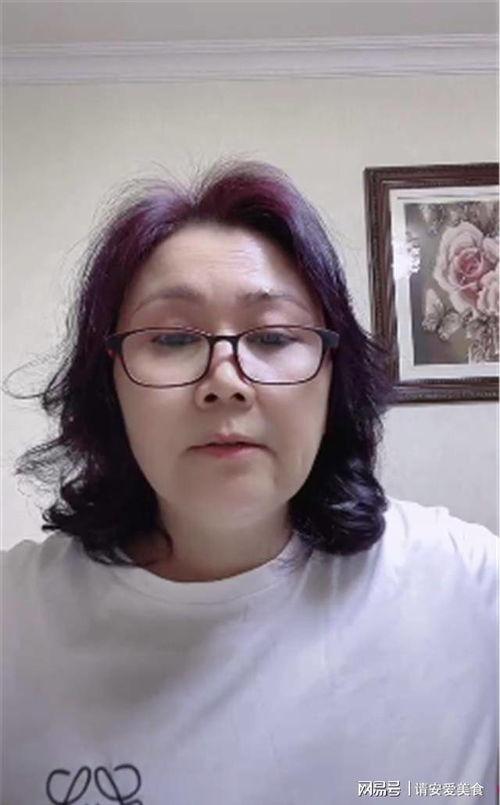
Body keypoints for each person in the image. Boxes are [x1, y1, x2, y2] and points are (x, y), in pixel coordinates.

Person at [1, 159, 497, 805]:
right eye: (172, 338)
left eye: (273, 335)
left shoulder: (469, 591)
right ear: (110, 383)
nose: (226, 381)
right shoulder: (16, 621)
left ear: (332, 375)